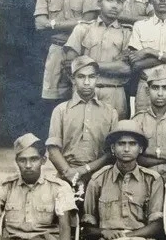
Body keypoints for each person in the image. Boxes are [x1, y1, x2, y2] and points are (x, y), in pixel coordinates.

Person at [45, 55, 119, 195]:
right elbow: (53, 150)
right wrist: (69, 173)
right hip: (66, 176)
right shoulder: (61, 111)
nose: (86, 82)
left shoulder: (110, 112)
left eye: (91, 77)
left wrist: (85, 169)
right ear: (73, 79)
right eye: (81, 77)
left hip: (100, 177)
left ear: (97, 78)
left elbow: (111, 153)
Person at [34, 0, 97, 102]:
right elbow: (40, 24)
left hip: (82, 52)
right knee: (53, 100)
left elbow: (88, 23)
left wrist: (52, 23)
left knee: (84, 97)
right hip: (56, 51)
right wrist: (78, 22)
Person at [64, 0, 132, 118]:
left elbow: (125, 68)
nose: (114, 5)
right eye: (109, 0)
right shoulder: (82, 29)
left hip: (115, 92)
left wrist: (87, 63)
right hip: (85, 92)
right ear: (99, 2)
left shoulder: (127, 33)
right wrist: (112, 65)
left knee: (115, 135)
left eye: (119, 2)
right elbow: (70, 64)